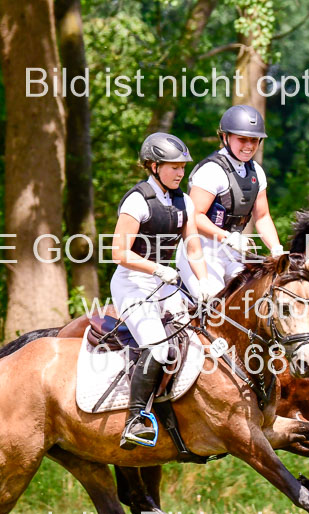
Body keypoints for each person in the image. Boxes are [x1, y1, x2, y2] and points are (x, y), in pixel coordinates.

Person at [110, 132, 214, 449]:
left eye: (183, 167)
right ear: (153, 166)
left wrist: (204, 280)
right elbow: (119, 252)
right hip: (132, 283)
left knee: (201, 335)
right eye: (174, 167)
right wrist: (157, 268)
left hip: (164, 284)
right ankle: (134, 420)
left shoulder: (183, 201)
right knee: (157, 348)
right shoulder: (137, 201)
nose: (180, 173)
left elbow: (193, 246)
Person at [177, 104, 285, 297]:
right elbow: (194, 216)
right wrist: (226, 237)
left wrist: (276, 249)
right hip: (201, 252)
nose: (249, 146)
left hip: (233, 253)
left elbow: (261, 216)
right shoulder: (212, 171)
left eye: (254, 140)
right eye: (242, 139)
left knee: (257, 300)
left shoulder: (256, 172)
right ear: (225, 137)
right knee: (215, 306)